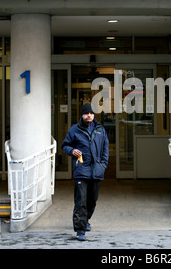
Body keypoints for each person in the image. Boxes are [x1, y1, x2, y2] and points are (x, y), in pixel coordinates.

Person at [61, 103, 109, 240]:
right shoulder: (75, 130)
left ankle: (85, 219)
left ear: (94, 115)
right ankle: (80, 229)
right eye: (87, 113)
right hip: (81, 169)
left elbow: (105, 147)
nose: (89, 115)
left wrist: (103, 164)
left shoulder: (100, 130)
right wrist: (72, 151)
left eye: (91, 113)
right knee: (80, 200)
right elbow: (65, 145)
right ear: (82, 115)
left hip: (96, 171)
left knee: (92, 200)